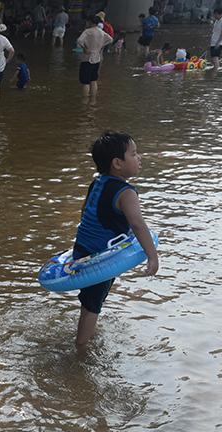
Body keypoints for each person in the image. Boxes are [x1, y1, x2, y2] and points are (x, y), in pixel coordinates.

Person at [71, 132, 158, 346]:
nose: (139, 158)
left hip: (82, 250)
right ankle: (81, 350)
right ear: (118, 163)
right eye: (134, 154)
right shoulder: (126, 193)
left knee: (91, 299)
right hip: (100, 258)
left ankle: (86, 332)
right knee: (93, 304)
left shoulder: (97, 183)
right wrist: (152, 256)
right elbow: (137, 224)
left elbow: (85, 213)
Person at [77, 15, 112, 97]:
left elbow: (79, 40)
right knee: (94, 80)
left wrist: (84, 48)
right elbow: (110, 39)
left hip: (87, 58)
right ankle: (93, 100)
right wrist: (101, 47)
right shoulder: (101, 32)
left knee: (86, 82)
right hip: (97, 58)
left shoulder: (87, 31)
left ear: (90, 22)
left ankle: (85, 100)